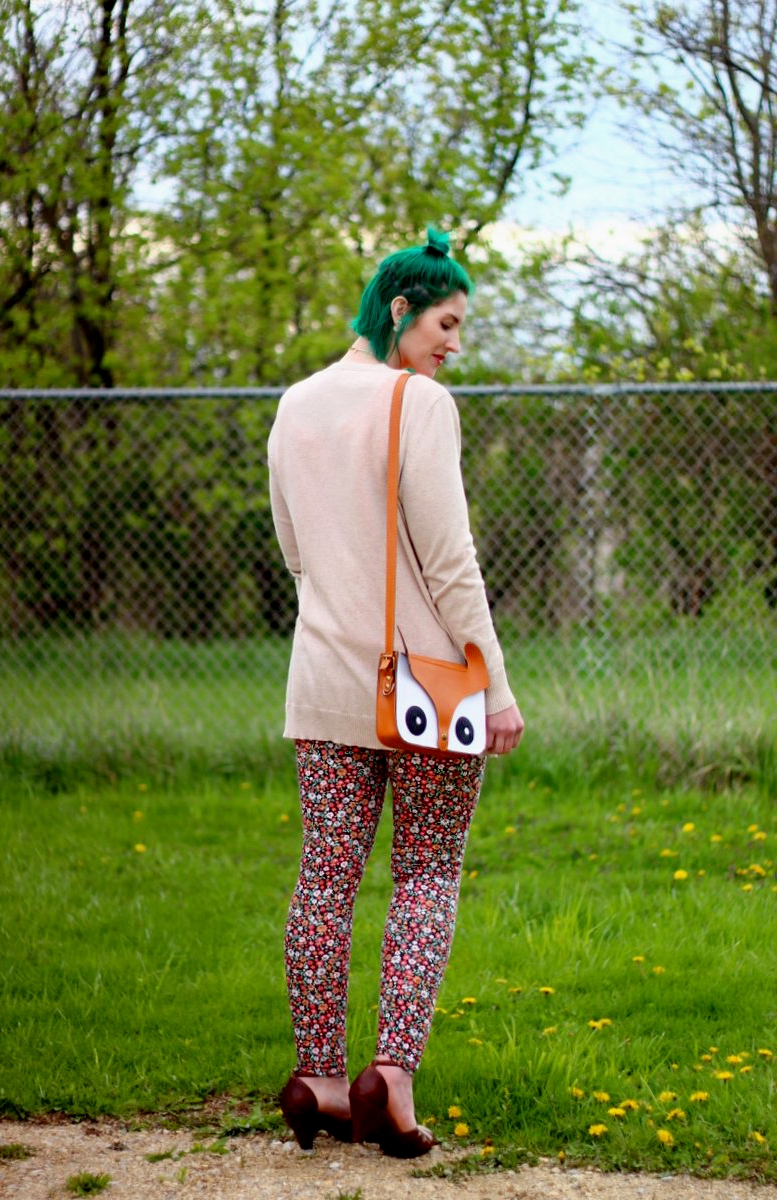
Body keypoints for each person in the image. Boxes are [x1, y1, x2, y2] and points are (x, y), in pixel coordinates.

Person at [267, 227, 524, 1158]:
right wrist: (491, 683)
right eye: (447, 323)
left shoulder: (294, 404)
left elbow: (295, 550)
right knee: (425, 874)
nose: (455, 344)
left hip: (323, 677)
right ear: (403, 308)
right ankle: (393, 1080)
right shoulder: (419, 401)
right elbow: (451, 561)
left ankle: (320, 1079)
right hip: (428, 681)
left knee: (324, 878)